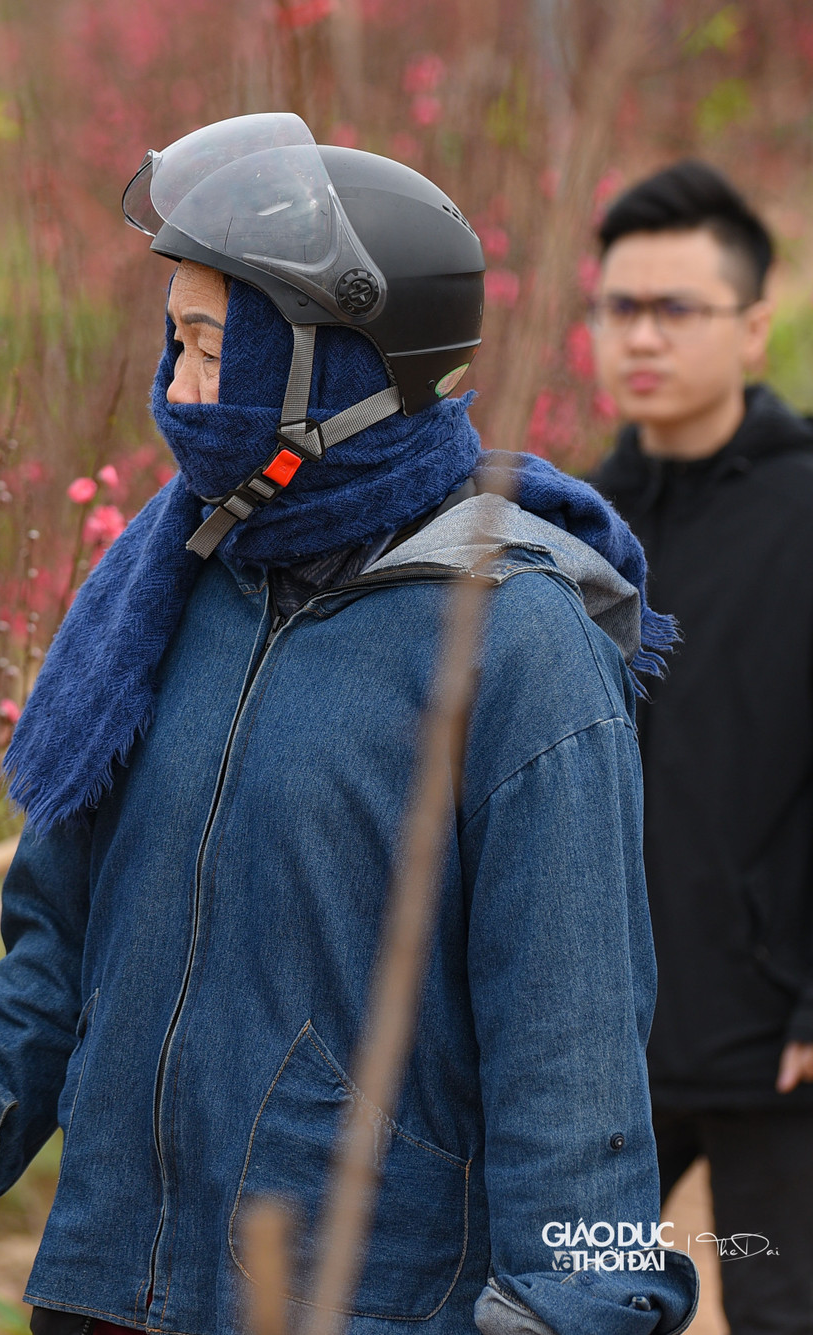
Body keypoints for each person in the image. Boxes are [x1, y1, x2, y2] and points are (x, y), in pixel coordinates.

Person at [0, 113, 699, 1335]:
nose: (174, 388)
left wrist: (568, 1310)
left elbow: (573, 1072)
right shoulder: (166, 584)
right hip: (104, 1287)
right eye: (175, 341)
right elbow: (68, 941)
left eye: (208, 346)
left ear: (331, 368)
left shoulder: (509, 640)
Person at [588, 159, 813, 1335]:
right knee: (555, 1303)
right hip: (600, 1045)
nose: (640, 336)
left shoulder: (802, 510)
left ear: (753, 325)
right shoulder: (567, 529)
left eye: (675, 308)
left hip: (776, 1051)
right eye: (618, 306)